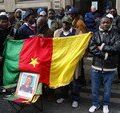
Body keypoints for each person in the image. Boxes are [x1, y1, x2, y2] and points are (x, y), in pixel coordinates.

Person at [89, 16, 120, 113]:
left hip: (110, 68)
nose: (105, 24)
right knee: (95, 89)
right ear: (100, 23)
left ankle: (106, 104)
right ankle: (95, 104)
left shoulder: (116, 35)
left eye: (107, 22)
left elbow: (116, 48)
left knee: (107, 89)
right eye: (103, 22)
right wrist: (104, 55)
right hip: (96, 66)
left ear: (110, 23)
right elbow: (92, 48)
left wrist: (102, 47)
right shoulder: (95, 34)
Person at [54, 16, 81, 108]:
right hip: (62, 61)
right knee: (63, 79)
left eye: (67, 23)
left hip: (73, 61)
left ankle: (75, 99)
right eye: (64, 23)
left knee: (74, 81)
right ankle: (63, 96)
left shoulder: (77, 32)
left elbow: (81, 45)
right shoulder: (57, 33)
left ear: (71, 24)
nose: (65, 25)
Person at [0, 14, 13, 86]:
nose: (4, 23)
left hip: (7, 57)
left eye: (6, 22)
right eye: (2, 22)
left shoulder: (10, 31)